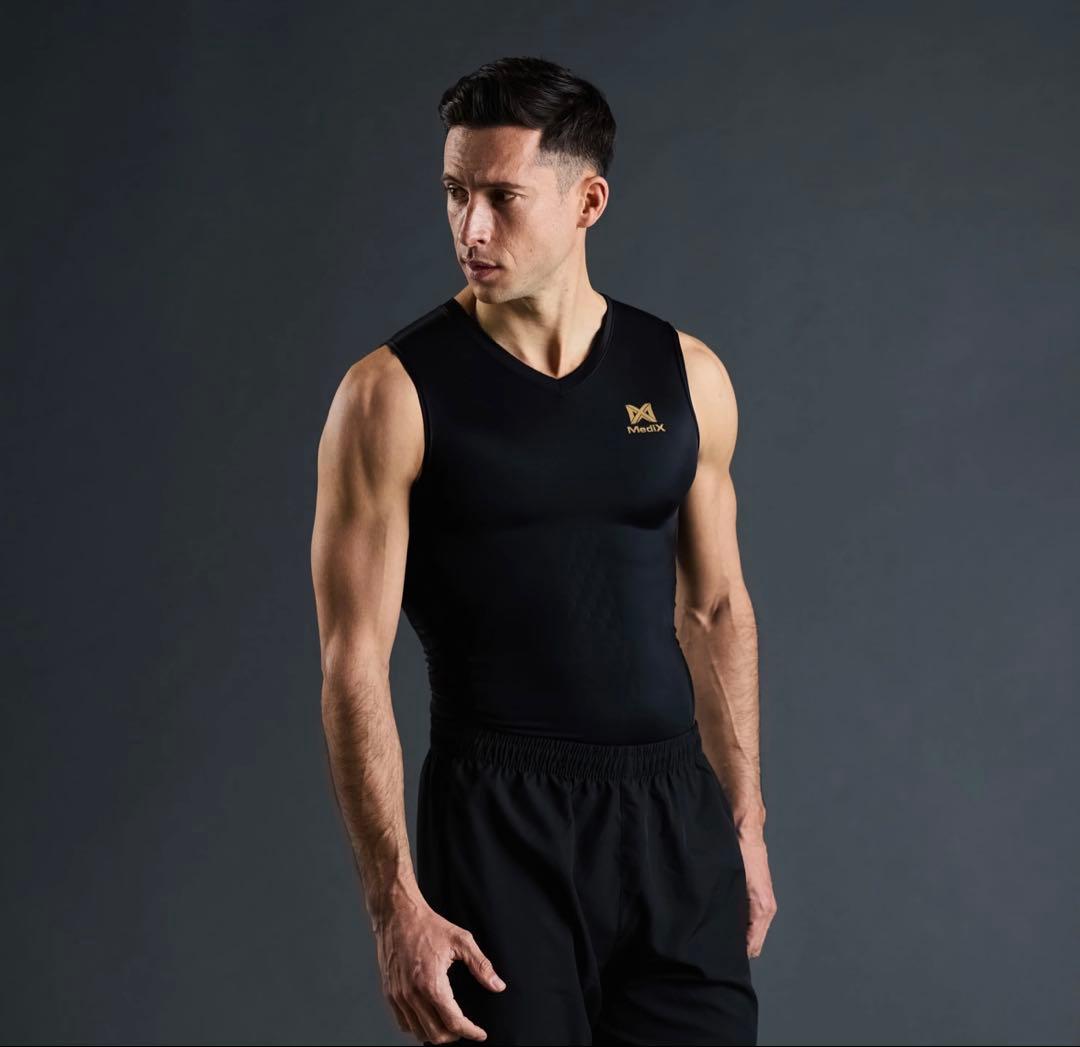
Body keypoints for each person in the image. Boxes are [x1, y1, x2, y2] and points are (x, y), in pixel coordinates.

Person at [311, 55, 776, 1046]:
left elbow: (715, 609)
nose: (470, 228)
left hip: (673, 819)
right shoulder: (389, 395)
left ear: (587, 202)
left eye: (501, 197)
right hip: (498, 826)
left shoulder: (687, 375)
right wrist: (394, 904)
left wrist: (744, 821)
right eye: (455, 193)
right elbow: (353, 661)